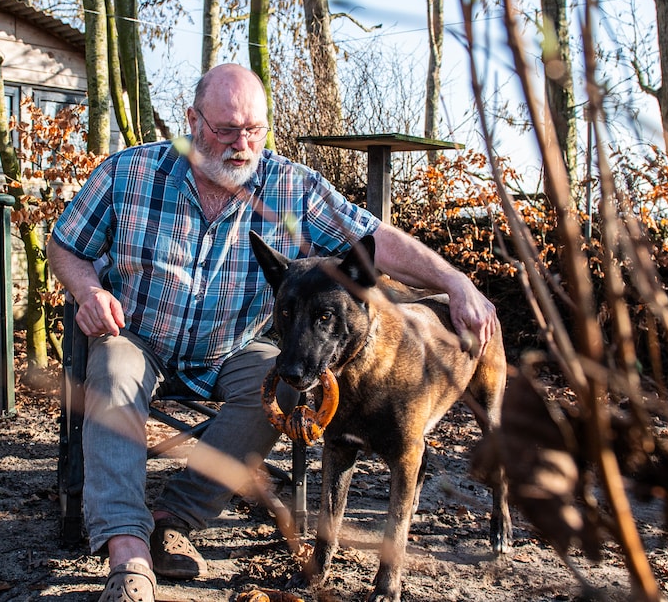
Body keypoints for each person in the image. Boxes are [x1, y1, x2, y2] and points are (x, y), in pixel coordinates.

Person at [48, 63, 498, 602]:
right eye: (226, 129)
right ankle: (128, 554)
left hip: (233, 347)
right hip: (140, 337)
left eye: (254, 130)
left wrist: (454, 280)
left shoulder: (291, 187)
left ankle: (175, 516)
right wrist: (88, 290)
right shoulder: (129, 173)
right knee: (114, 372)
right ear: (193, 121)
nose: (242, 144)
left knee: (281, 385)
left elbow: (375, 240)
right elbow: (65, 244)